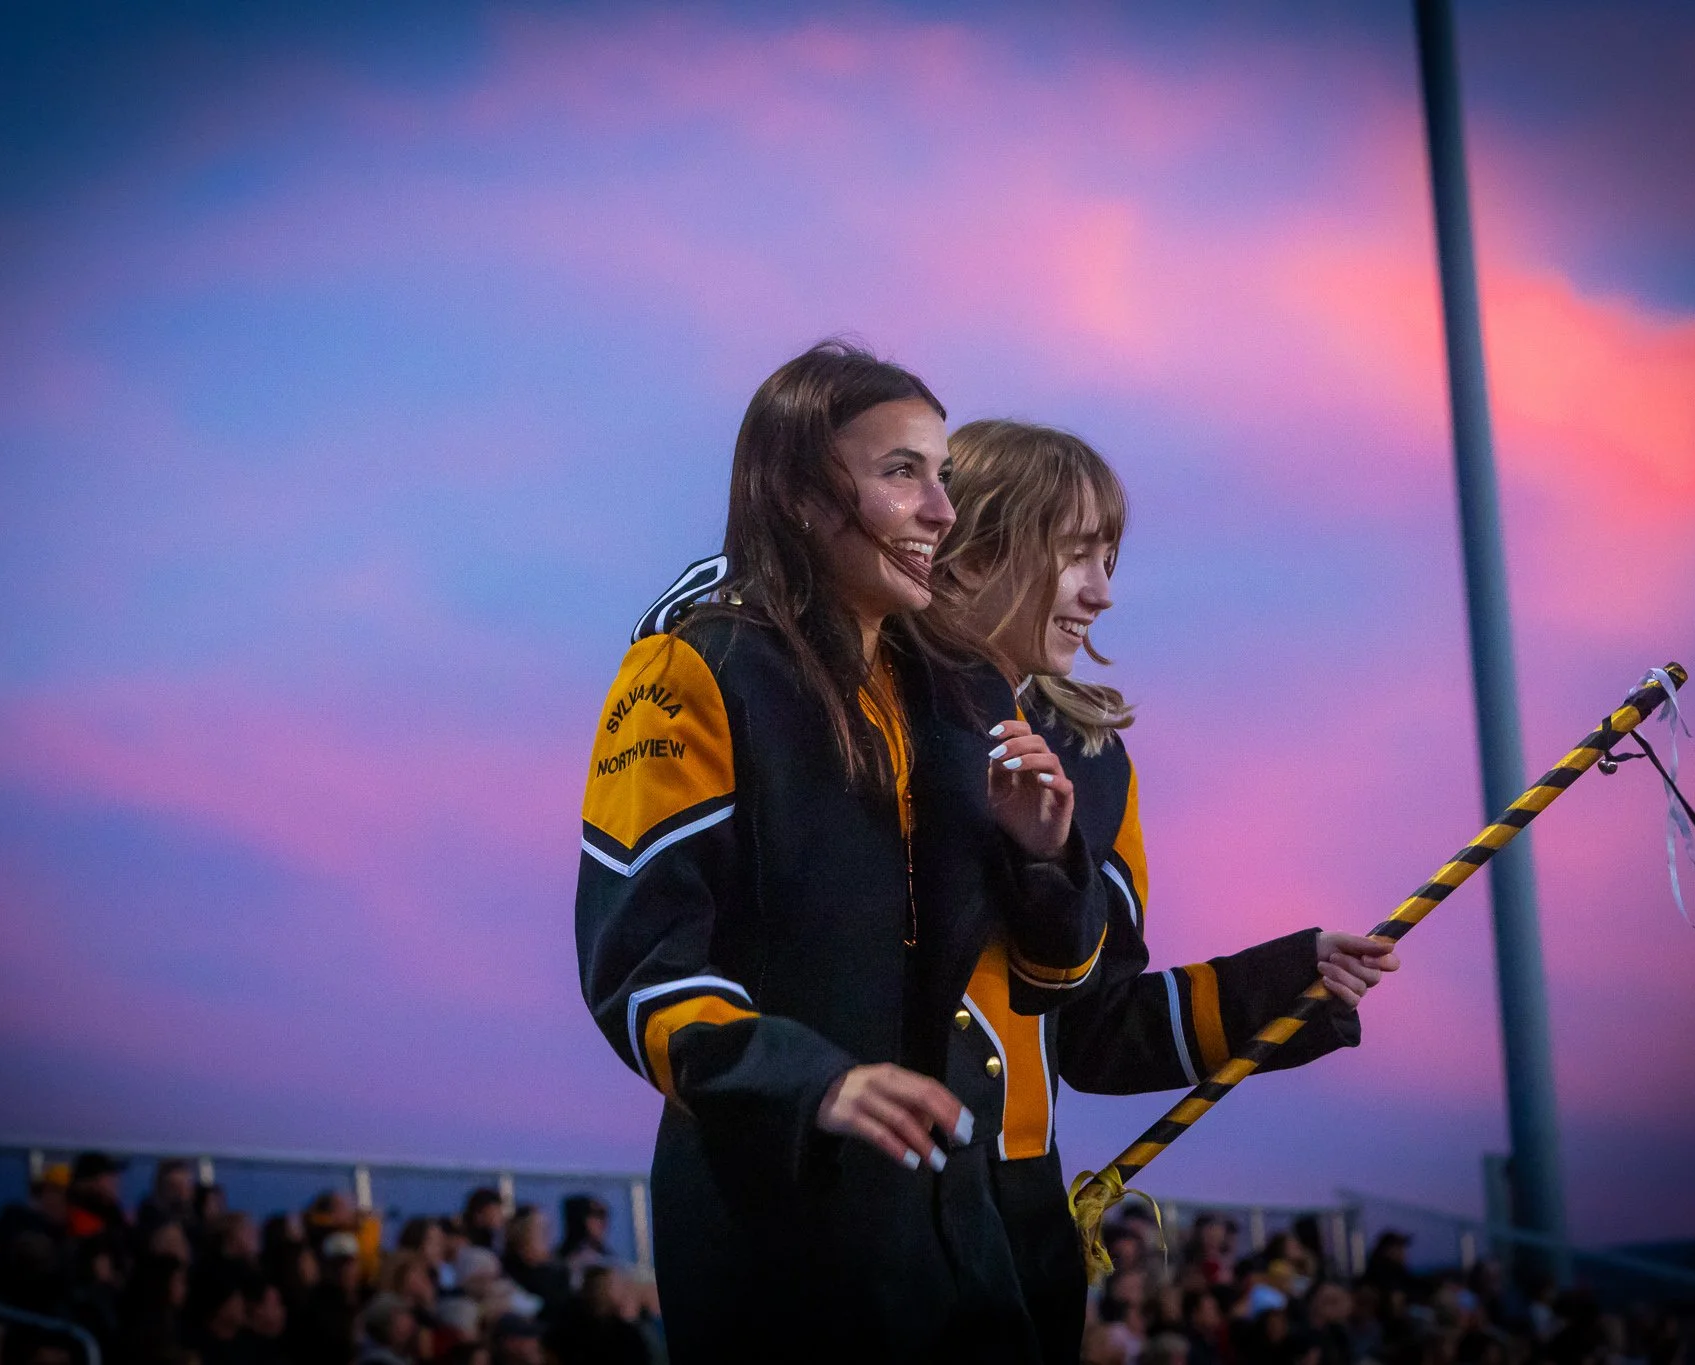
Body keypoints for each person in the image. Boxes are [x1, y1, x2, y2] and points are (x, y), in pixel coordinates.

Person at [578, 342, 1110, 1362]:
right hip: (773, 1229)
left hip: (963, 1232)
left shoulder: (964, 698)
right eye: (900, 471)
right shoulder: (692, 668)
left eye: (941, 476)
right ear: (800, 494)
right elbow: (639, 975)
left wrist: (1046, 859)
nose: (940, 513)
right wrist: (810, 1081)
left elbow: (1054, 981)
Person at [930, 419, 1401, 1360]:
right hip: (846, 1219)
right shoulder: (846, 713)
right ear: (972, 547)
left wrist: (1286, 983)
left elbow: (1097, 1032)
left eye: (1110, 559)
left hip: (1018, 1228)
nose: (1102, 593)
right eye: (1076, 556)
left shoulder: (1096, 763)